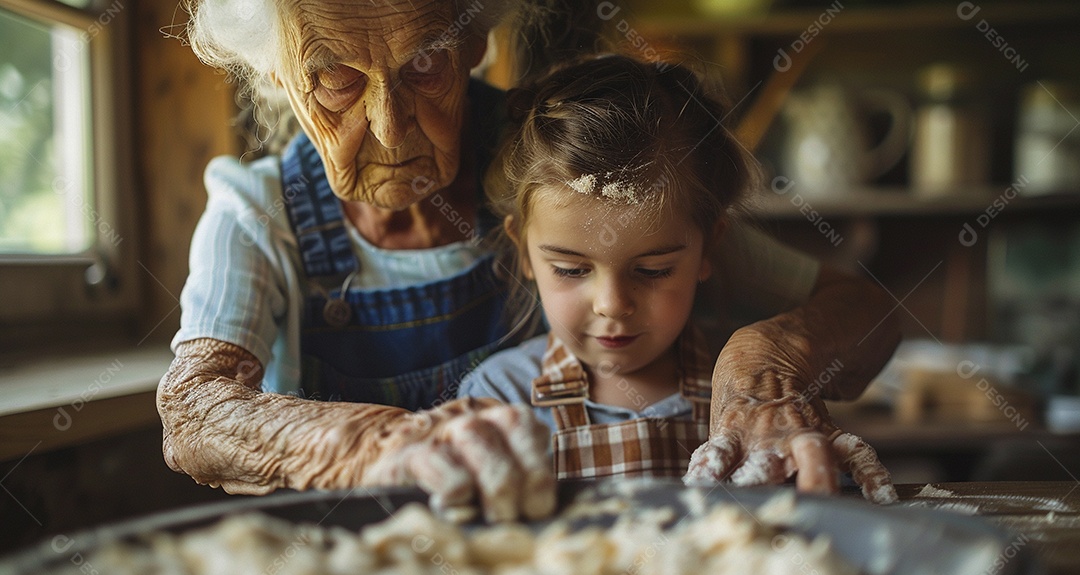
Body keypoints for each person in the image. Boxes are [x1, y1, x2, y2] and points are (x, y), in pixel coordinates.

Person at [157, 0, 901, 520]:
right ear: (275, 74)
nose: (389, 125)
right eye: (335, 77)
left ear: (474, 38)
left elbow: (866, 311)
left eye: (424, 62)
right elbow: (194, 413)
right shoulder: (259, 212)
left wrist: (763, 359)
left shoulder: (556, 165)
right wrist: (384, 443)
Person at [457, 55, 896, 503]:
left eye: (653, 270)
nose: (612, 304)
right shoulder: (499, 399)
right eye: (571, 269)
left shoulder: (744, 402)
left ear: (708, 247)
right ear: (523, 251)